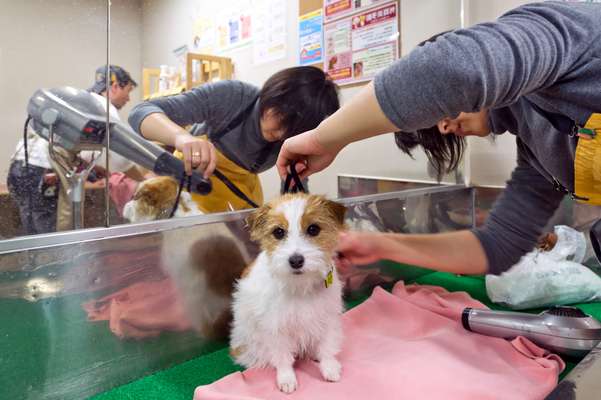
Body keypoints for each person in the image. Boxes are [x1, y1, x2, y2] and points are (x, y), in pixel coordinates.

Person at [276, 2, 601, 276]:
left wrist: (325, 139)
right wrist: (379, 245)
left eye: (439, 116)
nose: (444, 129)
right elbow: (497, 246)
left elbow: (455, 69)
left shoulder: (567, 30)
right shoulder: (537, 152)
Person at [128, 66, 339, 213]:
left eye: (290, 129)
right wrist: (182, 138)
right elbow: (139, 113)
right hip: (186, 190)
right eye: (279, 116)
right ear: (273, 92)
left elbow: (296, 189)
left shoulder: (296, 136)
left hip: (239, 198)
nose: (279, 133)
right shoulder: (233, 96)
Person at [7, 64, 138, 234]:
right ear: (114, 87)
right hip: (43, 173)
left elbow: (73, 147)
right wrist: (147, 178)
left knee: (34, 231)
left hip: (21, 169)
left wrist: (93, 169)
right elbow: (122, 156)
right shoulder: (102, 107)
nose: (128, 98)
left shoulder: (81, 102)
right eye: (128, 91)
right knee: (51, 236)